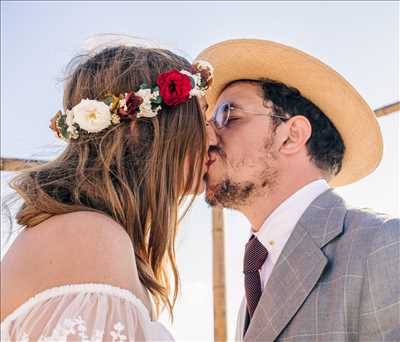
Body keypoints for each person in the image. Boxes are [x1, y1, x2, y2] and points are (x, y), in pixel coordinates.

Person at [0, 45, 213, 341]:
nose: (213, 137)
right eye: (201, 120)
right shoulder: (90, 239)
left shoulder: (88, 234)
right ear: (139, 127)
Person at [197, 39, 400, 341]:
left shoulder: (385, 247)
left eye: (228, 115)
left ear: (292, 136)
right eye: (209, 122)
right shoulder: (257, 279)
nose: (208, 137)